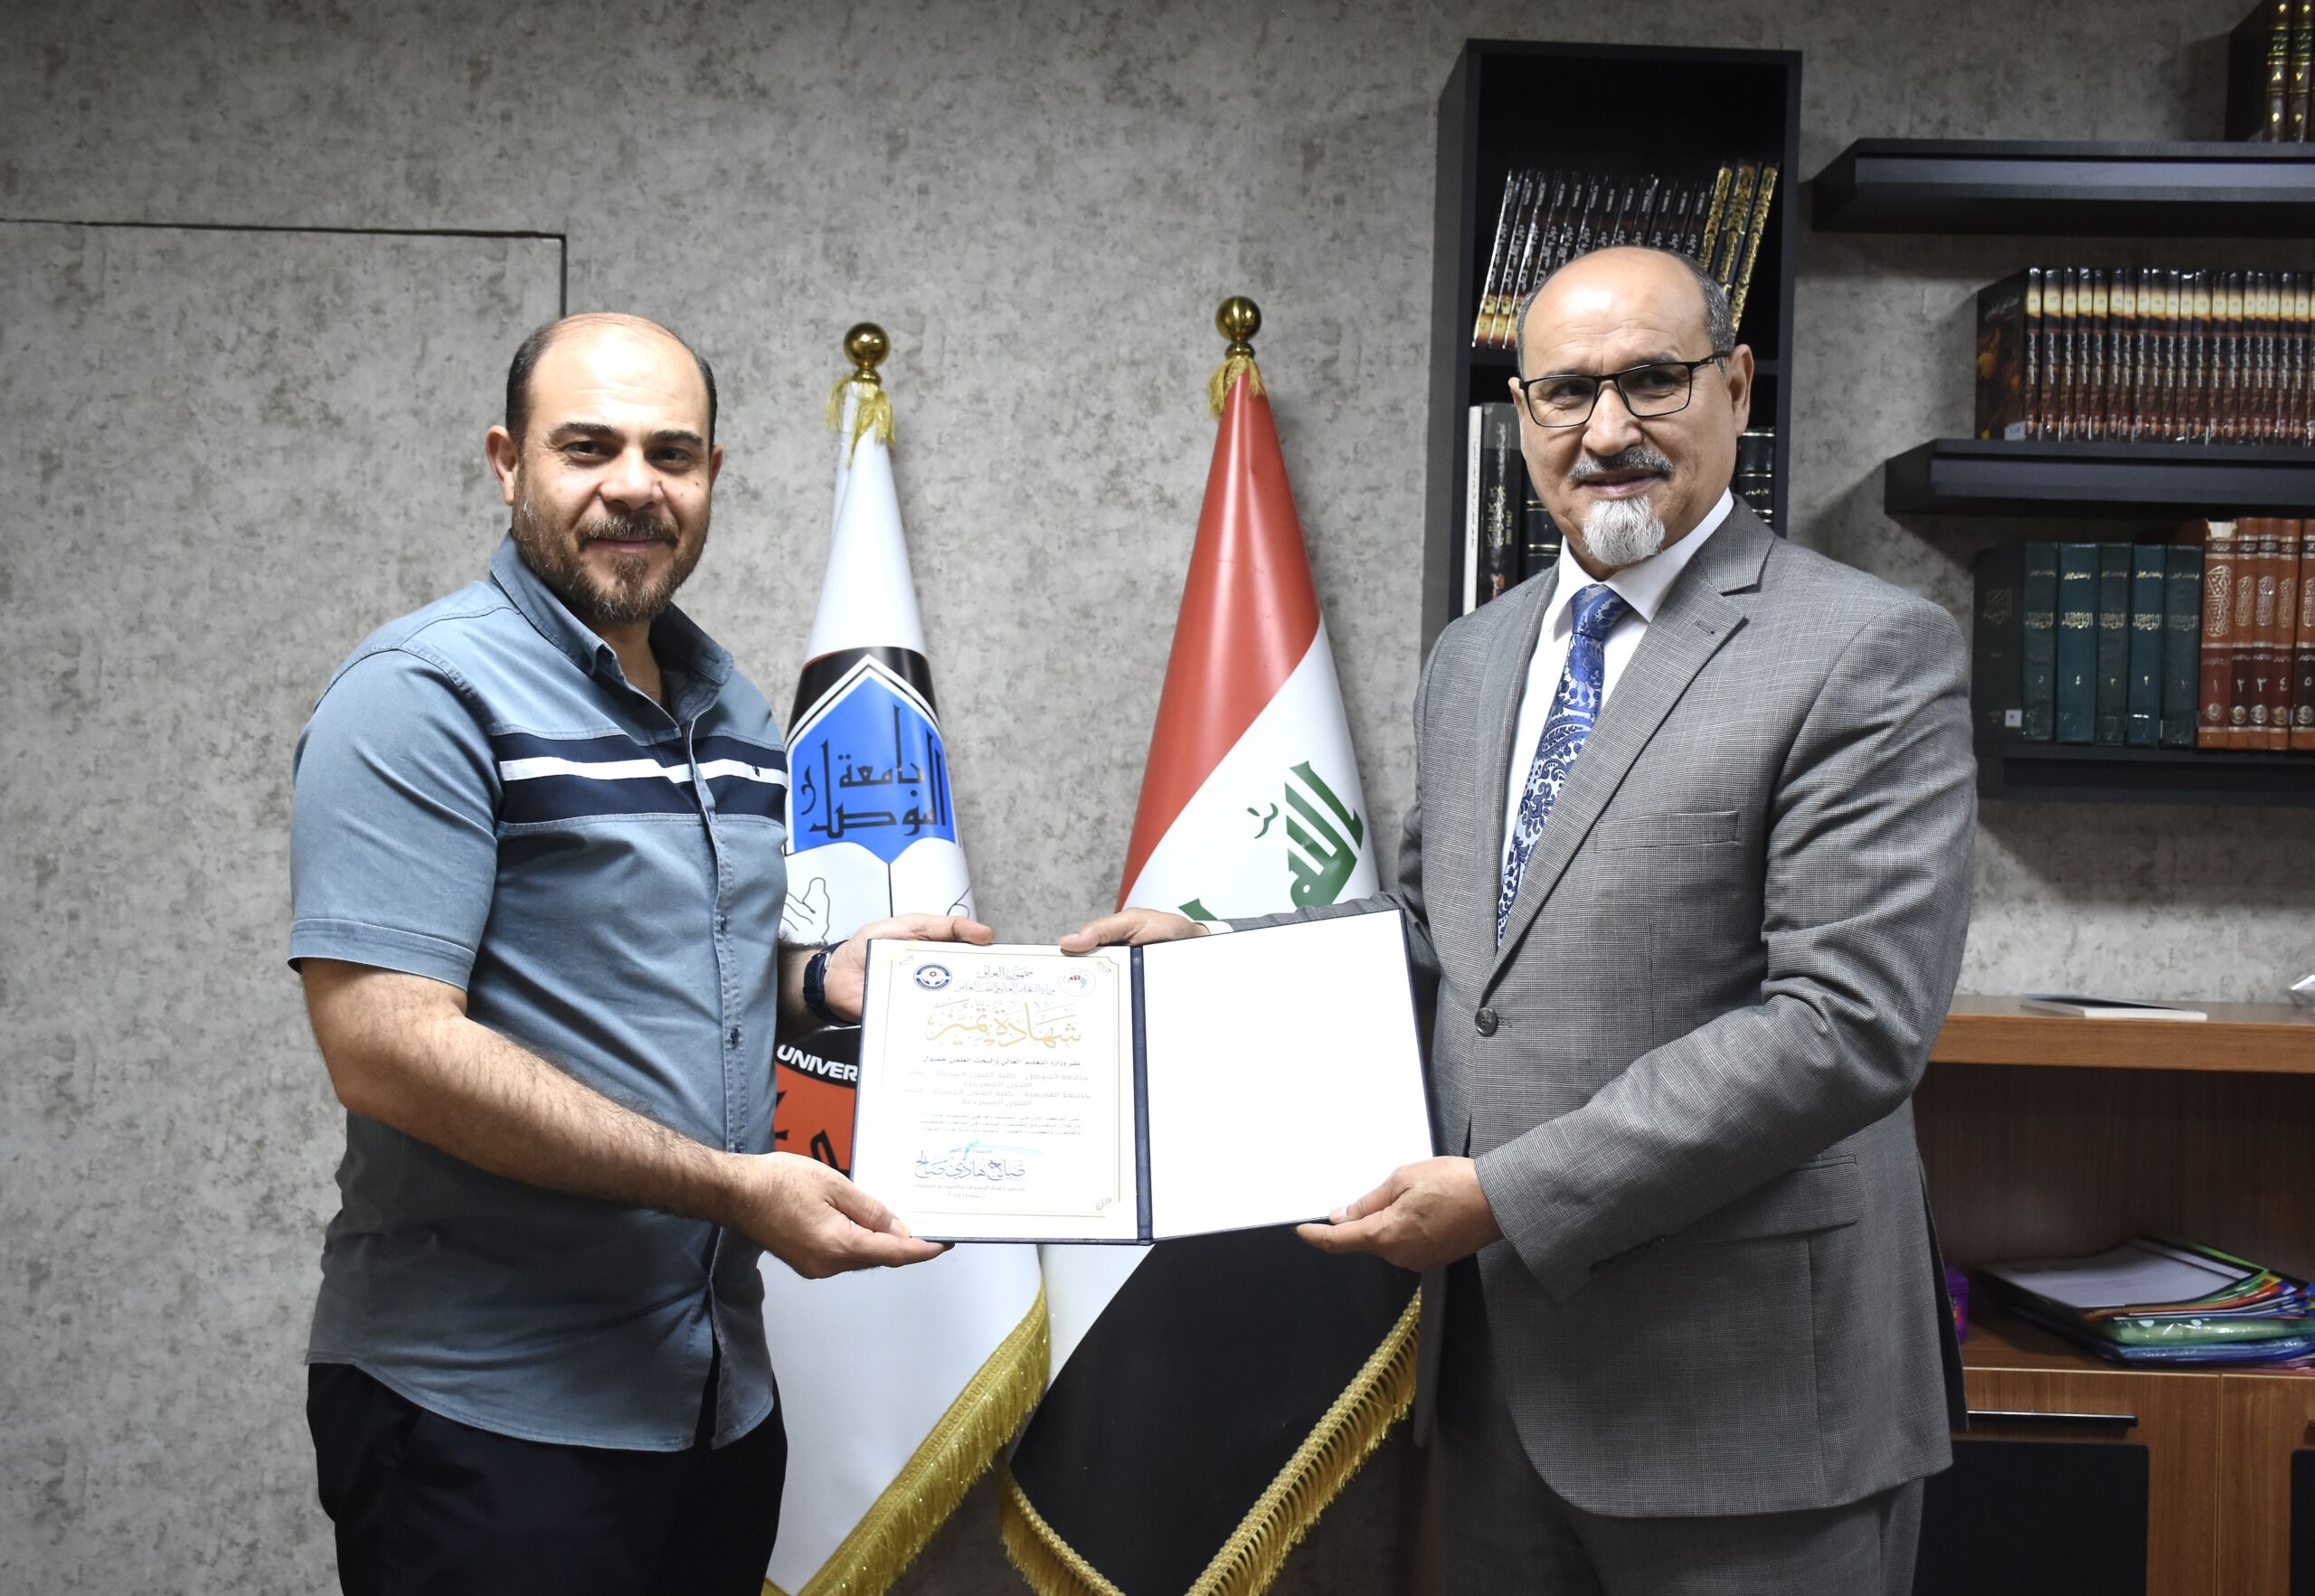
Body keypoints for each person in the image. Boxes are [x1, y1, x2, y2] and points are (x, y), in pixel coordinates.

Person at [1063, 246, 1974, 1595]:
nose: (1606, 430)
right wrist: (1219, 966)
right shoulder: (1478, 655)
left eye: (1651, 380)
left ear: (1736, 387)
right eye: (1566, 392)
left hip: (1750, 1406)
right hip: (1505, 1391)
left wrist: (1505, 1196)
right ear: (1524, 414)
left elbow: (1845, 1025)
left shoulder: (1865, 649)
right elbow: (1446, 940)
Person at [288, 312, 987, 1596]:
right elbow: (386, 1047)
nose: (634, 485)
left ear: (714, 473)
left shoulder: (730, 712)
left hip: (715, 1405)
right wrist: (730, 1187)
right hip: (490, 1416)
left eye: (670, 453)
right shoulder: (421, 693)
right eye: (587, 447)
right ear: (507, 463)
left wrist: (820, 981)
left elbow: (675, 973)